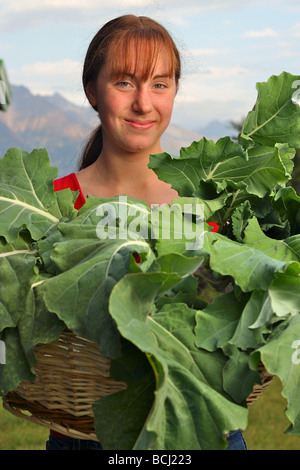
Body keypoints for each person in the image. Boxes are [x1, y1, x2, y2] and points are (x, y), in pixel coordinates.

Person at [47, 14, 247, 451]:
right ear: (91, 91)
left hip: (203, 428)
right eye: (124, 83)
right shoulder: (49, 207)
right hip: (85, 435)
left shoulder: (211, 202)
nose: (143, 103)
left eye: (160, 84)